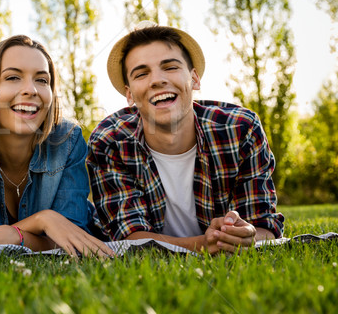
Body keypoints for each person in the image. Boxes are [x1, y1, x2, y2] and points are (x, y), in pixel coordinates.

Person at [86, 20, 284, 254]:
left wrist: (244, 234)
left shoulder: (241, 129)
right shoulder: (109, 141)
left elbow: (264, 226)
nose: (157, 80)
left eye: (170, 67)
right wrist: (205, 244)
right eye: (141, 73)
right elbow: (129, 239)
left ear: (195, 79)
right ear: (129, 94)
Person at [0, 35, 114, 258]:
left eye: (42, 80)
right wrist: (43, 221)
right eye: (13, 77)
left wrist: (7, 236)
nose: (31, 90)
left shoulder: (67, 140)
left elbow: (72, 236)